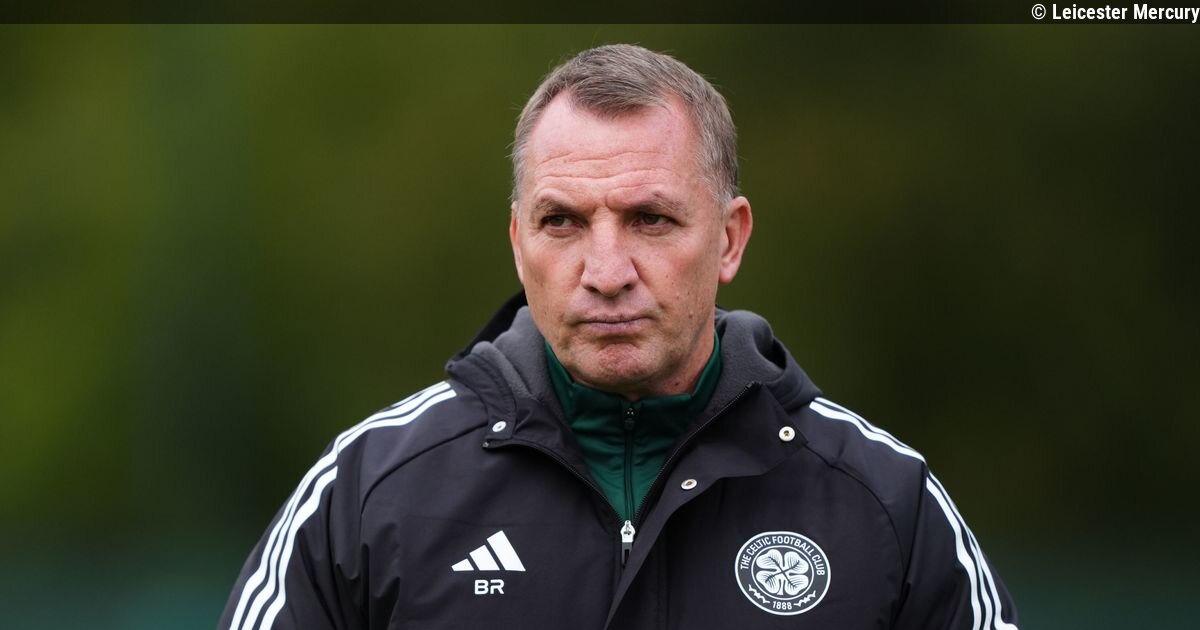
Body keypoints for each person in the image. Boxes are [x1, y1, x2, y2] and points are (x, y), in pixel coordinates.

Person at [220, 44, 1020, 629]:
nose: (606, 271)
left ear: (730, 239)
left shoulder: (884, 503)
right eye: (562, 222)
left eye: (651, 219)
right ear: (518, 243)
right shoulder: (369, 492)